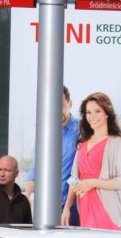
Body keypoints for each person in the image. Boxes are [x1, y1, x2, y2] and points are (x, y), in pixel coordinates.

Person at [62, 92, 121, 230]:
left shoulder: (116, 142)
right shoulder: (82, 142)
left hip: (105, 208)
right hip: (84, 207)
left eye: (97, 111)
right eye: (88, 112)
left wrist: (92, 183)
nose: (92, 117)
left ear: (107, 113)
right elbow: (74, 178)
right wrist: (67, 207)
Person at [22, 85, 81, 226]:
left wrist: (69, 204)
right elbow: (36, 167)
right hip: (47, 205)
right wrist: (27, 196)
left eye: (61, 106)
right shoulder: (45, 132)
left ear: (70, 103)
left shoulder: (81, 129)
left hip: (73, 205)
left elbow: (80, 170)